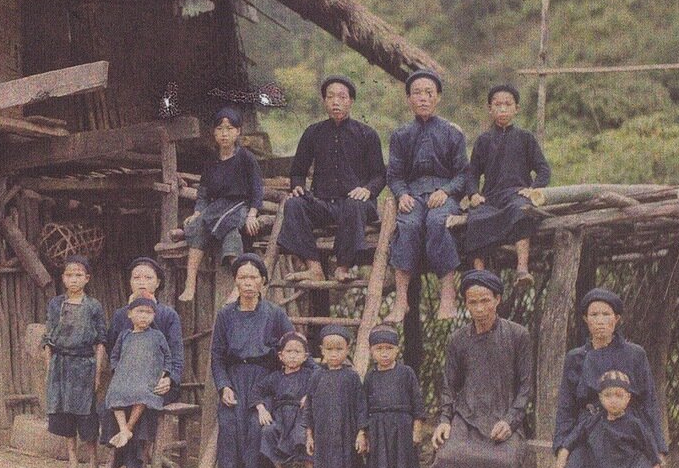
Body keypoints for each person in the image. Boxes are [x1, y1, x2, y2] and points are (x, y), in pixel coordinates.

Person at [553, 287, 668, 468]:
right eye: (594, 315)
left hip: (630, 435)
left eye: (606, 314)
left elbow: (651, 403)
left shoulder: (635, 355)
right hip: (590, 433)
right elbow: (566, 407)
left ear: (617, 319)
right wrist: (563, 447)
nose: (601, 320)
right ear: (585, 320)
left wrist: (659, 451)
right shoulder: (575, 358)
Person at [430, 269, 533, 468]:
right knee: (446, 457)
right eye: (472, 302)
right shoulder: (458, 340)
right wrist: (445, 420)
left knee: (504, 462)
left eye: (485, 301)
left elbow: (526, 387)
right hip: (467, 418)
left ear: (497, 300)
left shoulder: (517, 335)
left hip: (503, 420)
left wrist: (511, 421)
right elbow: (449, 385)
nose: (479, 309)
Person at [279, 75, 385, 284]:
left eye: (341, 97)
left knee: (355, 204)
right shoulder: (313, 133)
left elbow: (380, 175)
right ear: (324, 101)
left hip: (356, 206)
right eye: (330, 97)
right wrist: (298, 187)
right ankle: (314, 267)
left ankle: (342, 267)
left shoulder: (367, 134)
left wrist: (367, 190)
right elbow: (297, 171)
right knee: (293, 204)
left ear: (350, 101)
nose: (336, 102)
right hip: (323, 205)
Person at [210, 253, 294, 468]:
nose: (247, 282)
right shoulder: (226, 315)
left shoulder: (274, 314)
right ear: (235, 282)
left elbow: (292, 346)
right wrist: (223, 385)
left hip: (264, 380)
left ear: (262, 282)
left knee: (256, 427)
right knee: (228, 426)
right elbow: (217, 355)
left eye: (253, 277)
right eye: (242, 277)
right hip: (234, 379)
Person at [387, 70, 470, 320]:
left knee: (438, 222)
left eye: (428, 93)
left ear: (438, 98)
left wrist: (446, 191)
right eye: (417, 93)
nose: (423, 98)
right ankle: (401, 301)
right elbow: (394, 175)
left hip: (444, 196)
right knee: (408, 225)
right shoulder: (400, 135)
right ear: (409, 99)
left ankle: (447, 297)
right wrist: (401, 195)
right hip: (413, 195)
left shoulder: (452, 133)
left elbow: (463, 175)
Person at [102, 257, 185, 468]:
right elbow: (112, 350)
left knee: (146, 401)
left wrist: (170, 379)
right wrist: (121, 374)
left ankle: (136, 464)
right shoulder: (122, 315)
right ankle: (124, 460)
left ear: (158, 282)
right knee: (114, 400)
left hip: (159, 382)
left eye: (148, 277)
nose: (142, 282)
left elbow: (176, 356)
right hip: (128, 380)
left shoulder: (168, 316)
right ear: (129, 282)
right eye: (136, 277)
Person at [461, 83, 551, 287]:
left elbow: (543, 169)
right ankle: (479, 276)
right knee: (476, 218)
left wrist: (534, 188)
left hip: (516, 194)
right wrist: (474, 193)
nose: (502, 109)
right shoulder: (483, 140)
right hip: (491, 197)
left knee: (522, 211)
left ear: (516, 109)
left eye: (507, 104)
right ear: (489, 108)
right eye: (497, 105)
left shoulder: (525, 138)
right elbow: (472, 173)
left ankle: (522, 269)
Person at [180, 107, 264, 303]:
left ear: (238, 132)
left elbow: (257, 190)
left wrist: (252, 214)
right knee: (199, 225)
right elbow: (203, 192)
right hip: (217, 207)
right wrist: (198, 212)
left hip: (239, 206)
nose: (224, 134)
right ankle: (190, 283)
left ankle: (238, 286)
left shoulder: (246, 159)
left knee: (231, 230)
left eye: (229, 128)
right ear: (214, 133)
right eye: (220, 129)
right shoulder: (211, 161)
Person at [42, 256, 107, 468]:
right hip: (61, 366)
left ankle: (93, 464)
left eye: (79, 275)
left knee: (87, 415)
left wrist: (97, 373)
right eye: (69, 275)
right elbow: (48, 339)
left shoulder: (93, 306)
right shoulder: (55, 304)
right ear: (63, 278)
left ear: (87, 278)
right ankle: (72, 461)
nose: (74, 279)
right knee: (65, 414)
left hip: (84, 366)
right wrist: (49, 369)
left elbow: (100, 342)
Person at [363, 324, 426, 468]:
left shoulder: (406, 373)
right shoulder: (370, 377)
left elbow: (417, 403)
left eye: (389, 348)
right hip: (378, 429)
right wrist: (364, 433)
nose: (384, 353)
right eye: (379, 348)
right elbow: (364, 407)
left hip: (402, 428)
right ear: (372, 352)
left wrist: (417, 428)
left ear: (397, 350)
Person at [305, 324, 367, 468]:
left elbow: (361, 406)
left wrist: (361, 433)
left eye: (339, 349)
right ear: (321, 350)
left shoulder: (351, 377)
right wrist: (310, 434)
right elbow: (310, 407)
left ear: (347, 350)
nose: (334, 354)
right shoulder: (316, 376)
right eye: (329, 349)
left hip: (346, 436)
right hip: (324, 437)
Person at [105, 297, 172, 448]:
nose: (144, 316)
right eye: (140, 311)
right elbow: (114, 355)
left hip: (147, 376)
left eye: (149, 312)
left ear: (154, 315)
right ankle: (124, 428)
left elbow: (168, 357)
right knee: (114, 392)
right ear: (129, 314)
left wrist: (165, 372)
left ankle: (128, 427)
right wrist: (117, 370)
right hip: (126, 376)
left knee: (143, 393)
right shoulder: (125, 335)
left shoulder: (157, 336)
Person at [253, 331, 317, 468]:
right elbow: (257, 390)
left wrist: (309, 396)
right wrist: (261, 408)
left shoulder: (311, 375)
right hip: (281, 417)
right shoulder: (275, 377)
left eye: (298, 352)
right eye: (289, 351)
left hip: (302, 416)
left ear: (305, 357)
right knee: (268, 432)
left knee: (301, 436)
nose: (293, 356)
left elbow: (322, 385)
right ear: (281, 356)